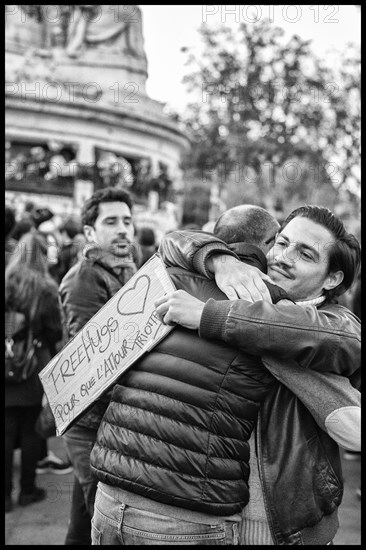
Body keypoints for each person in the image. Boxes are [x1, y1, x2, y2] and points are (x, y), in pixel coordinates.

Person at [89, 205, 360, 545]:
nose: (283, 257)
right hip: (208, 514)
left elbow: (314, 336)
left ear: (333, 277)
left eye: (305, 254)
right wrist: (220, 259)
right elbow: (173, 241)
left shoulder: (334, 322)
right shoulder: (224, 282)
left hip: (285, 522)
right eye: (281, 242)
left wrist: (208, 315)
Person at [59, 187, 138, 545]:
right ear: (90, 232)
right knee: (101, 519)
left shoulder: (124, 270)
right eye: (111, 222)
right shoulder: (86, 277)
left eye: (127, 221)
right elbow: (89, 361)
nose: (123, 229)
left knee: (83, 517)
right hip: (91, 420)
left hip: (107, 416)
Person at [5, 232, 63, 513]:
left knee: (5, 429)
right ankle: (27, 490)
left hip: (6, 359)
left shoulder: (7, 281)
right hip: (35, 363)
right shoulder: (47, 288)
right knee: (31, 429)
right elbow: (55, 333)